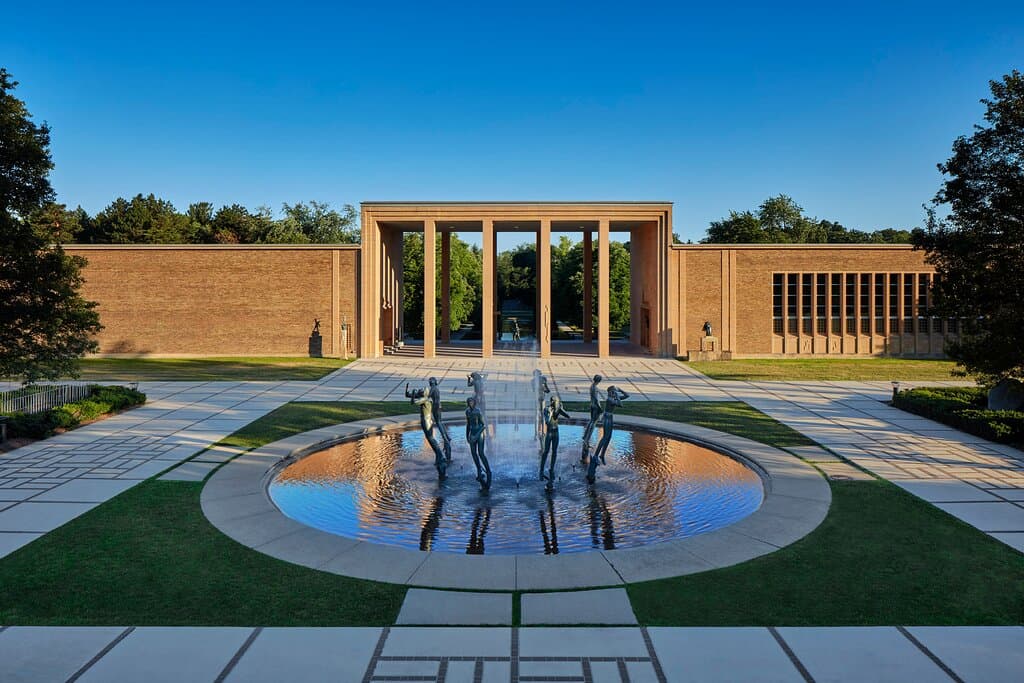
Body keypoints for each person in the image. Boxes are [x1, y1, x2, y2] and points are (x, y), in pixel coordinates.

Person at [587, 385, 630, 484]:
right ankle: (596, 455)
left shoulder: (614, 397)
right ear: (610, 392)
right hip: (606, 417)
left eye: (615, 391)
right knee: (605, 437)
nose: (615, 393)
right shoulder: (610, 399)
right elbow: (621, 405)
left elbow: (627, 395)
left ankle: (602, 455)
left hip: (610, 417)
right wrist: (617, 395)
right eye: (614, 391)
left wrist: (620, 390)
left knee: (609, 437)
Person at [405, 383, 447, 479]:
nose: (420, 390)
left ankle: (441, 456)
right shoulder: (424, 398)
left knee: (430, 439)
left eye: (422, 390)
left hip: (426, 421)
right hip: (427, 420)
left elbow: (413, 403)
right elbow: (408, 396)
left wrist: (413, 394)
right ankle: (439, 456)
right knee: (431, 439)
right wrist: (408, 389)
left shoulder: (425, 399)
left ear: (425, 393)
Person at [539, 395, 571, 489]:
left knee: (555, 451)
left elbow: (568, 416)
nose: (557, 403)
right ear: (553, 401)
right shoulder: (546, 409)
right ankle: (541, 469)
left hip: (556, 432)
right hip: (549, 433)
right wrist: (550, 413)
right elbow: (547, 422)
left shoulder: (558, 409)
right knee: (546, 451)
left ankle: (551, 469)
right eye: (556, 402)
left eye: (557, 402)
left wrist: (562, 409)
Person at [465, 396, 491, 489]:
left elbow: (483, 425)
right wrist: (467, 436)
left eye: (472, 402)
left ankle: (488, 470)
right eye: (469, 402)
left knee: (480, 453)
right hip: (472, 433)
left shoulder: (478, 411)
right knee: (473, 453)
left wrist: (476, 435)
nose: (470, 404)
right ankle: (479, 469)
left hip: (479, 433)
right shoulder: (467, 411)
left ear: (474, 403)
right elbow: (468, 424)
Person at [427, 377, 451, 460]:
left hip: (435, 406)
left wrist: (422, 393)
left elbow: (428, 395)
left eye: (430, 381)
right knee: (440, 421)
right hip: (439, 405)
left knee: (438, 422)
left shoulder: (433, 388)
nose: (429, 382)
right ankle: (447, 436)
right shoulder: (436, 388)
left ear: (432, 382)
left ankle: (444, 437)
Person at [581, 374, 604, 462]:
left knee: (591, 421)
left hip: (592, 405)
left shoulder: (592, 386)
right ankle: (587, 438)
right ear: (599, 380)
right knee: (594, 422)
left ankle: (585, 437)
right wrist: (600, 408)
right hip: (595, 406)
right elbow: (596, 398)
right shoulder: (594, 387)